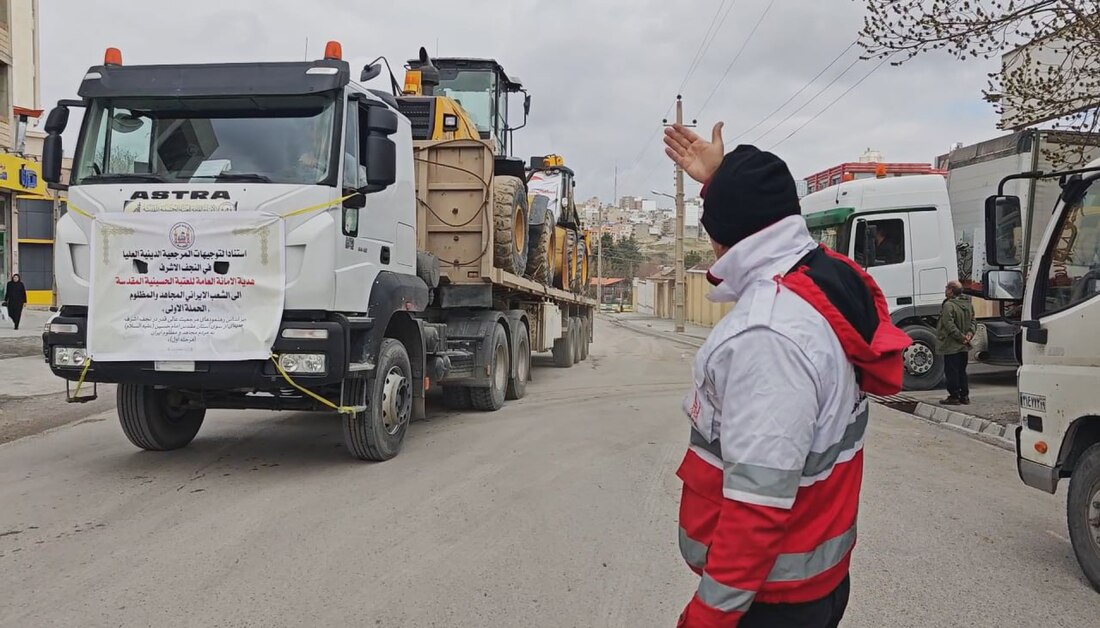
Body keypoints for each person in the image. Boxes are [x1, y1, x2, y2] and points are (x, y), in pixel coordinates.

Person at [663, 122, 911, 627]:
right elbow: (759, 221)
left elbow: (757, 506)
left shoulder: (768, 336)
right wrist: (723, 184)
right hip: (809, 586)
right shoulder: (822, 276)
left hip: (770, 602)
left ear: (719, 238)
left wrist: (707, 617)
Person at [936, 280, 975, 406]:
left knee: (951, 371)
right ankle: (965, 396)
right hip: (964, 345)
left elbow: (948, 324)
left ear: (951, 291)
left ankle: (954, 396)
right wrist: (969, 334)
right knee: (962, 370)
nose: (945, 291)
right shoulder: (968, 304)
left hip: (951, 344)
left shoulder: (949, 305)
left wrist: (960, 337)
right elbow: (973, 321)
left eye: (946, 288)